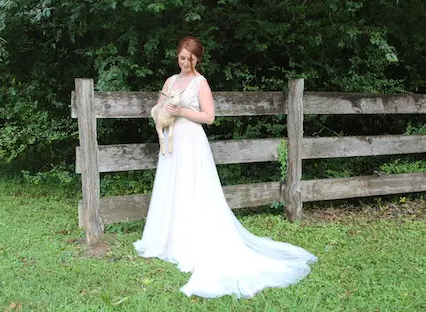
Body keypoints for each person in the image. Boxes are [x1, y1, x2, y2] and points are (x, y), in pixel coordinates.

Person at [134, 36, 317, 298]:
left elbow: (209, 117)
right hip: (173, 143)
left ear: (198, 58)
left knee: (193, 190)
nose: (185, 62)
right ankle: (169, 240)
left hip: (192, 141)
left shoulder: (201, 83)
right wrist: (164, 110)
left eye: (190, 58)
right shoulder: (170, 81)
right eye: (182, 58)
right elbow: (161, 105)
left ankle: (193, 243)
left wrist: (182, 110)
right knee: (172, 188)